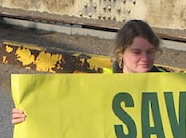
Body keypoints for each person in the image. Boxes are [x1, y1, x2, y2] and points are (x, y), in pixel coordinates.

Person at [11, 19, 164, 124]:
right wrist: (28, 114)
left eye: (150, 52)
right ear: (120, 53)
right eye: (136, 52)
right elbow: (68, 111)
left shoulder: (170, 83)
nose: (145, 58)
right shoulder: (100, 83)